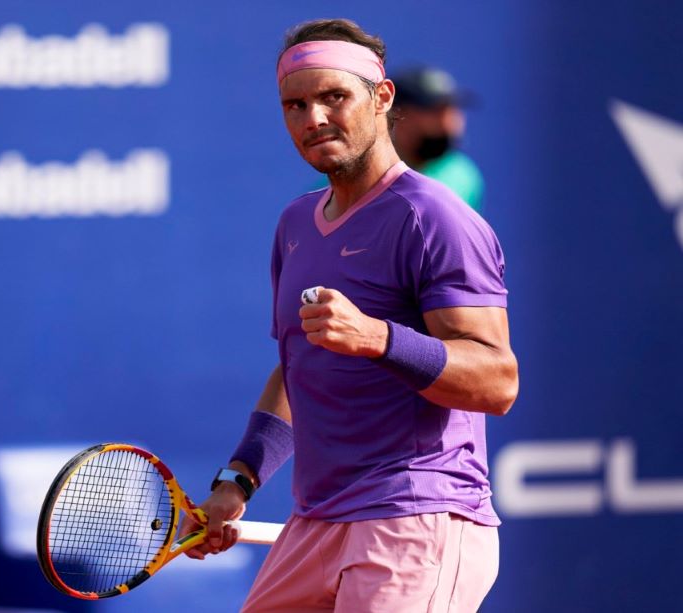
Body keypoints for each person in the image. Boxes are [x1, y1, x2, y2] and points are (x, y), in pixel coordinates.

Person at [182, 18, 518, 612]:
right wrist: (238, 480)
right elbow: (298, 367)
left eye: (333, 97)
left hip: (416, 517)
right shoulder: (294, 225)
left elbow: (496, 381)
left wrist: (376, 337)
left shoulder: (435, 219)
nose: (313, 118)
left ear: (381, 98)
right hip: (315, 522)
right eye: (296, 104)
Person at [390, 65, 485, 211]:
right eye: (435, 112)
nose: (448, 123)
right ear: (398, 114)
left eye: (452, 111)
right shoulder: (363, 173)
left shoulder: (461, 175)